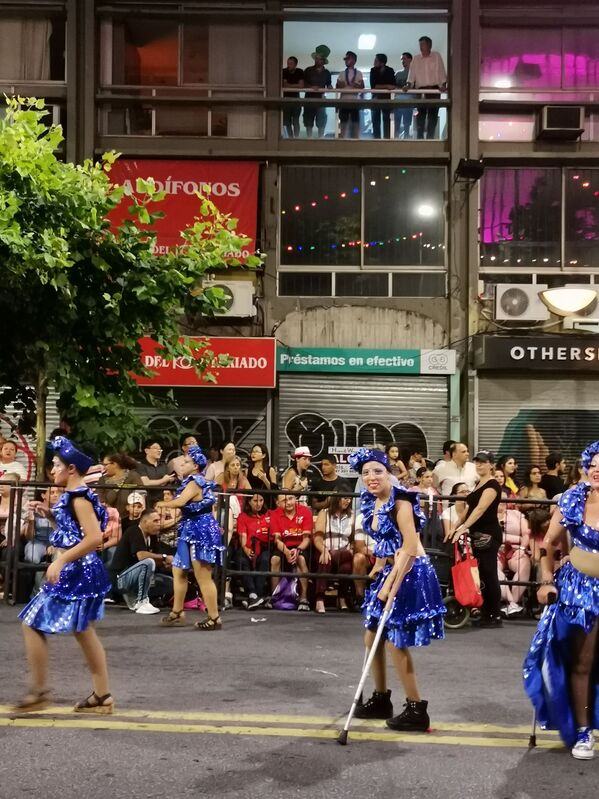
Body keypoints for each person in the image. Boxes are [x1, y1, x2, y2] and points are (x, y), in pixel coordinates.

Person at [15, 437, 114, 714]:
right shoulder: (75, 495)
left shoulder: (78, 496)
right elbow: (78, 532)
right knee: (83, 630)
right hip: (82, 566)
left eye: (57, 465)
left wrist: (60, 562)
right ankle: (102, 695)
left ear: (71, 468)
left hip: (77, 568)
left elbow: (94, 538)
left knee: (31, 623)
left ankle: (39, 691)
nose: (52, 470)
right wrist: (50, 514)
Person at [349, 448, 445, 730]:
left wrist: (390, 586)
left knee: (394, 640)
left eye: (377, 471)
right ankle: (380, 699)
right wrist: (379, 564)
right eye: (366, 473)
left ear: (389, 472)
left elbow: (410, 547)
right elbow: (386, 539)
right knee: (372, 638)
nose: (371, 477)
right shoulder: (373, 501)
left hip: (411, 572)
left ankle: (416, 709)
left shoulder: (401, 501)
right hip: (391, 568)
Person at [523, 440, 599, 759]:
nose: (597, 470)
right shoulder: (572, 499)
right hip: (580, 590)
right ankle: (583, 730)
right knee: (582, 661)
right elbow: (548, 544)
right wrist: (545, 579)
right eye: (594, 464)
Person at [157, 446, 224, 630]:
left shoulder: (195, 481)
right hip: (190, 528)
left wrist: (162, 503)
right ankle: (177, 611)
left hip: (200, 531)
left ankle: (214, 617)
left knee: (203, 575)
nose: (182, 464)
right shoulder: (191, 481)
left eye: (186, 462)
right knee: (179, 570)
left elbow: (180, 502)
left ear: (195, 466)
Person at [451, 451, 503, 628]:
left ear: (491, 465)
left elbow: (480, 509)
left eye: (483, 462)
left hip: (488, 534)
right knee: (482, 574)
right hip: (477, 534)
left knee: (489, 574)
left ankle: (494, 615)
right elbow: (470, 508)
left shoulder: (492, 485)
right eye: (477, 462)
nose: (479, 465)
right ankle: (487, 612)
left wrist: (463, 528)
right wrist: (456, 526)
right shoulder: (478, 484)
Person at [109, 508, 172, 614]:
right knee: (148, 562)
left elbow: (156, 560)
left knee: (170, 583)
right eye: (155, 521)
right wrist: (165, 557)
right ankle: (141, 601)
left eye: (159, 521)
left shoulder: (152, 537)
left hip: (135, 576)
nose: (159, 524)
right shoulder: (134, 531)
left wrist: (166, 563)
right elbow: (142, 556)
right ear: (144, 522)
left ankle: (135, 596)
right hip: (120, 579)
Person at [269, 493, 312, 611]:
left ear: (295, 499)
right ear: (278, 503)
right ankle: (274, 596)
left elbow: (307, 538)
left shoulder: (305, 511)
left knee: (301, 559)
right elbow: (277, 540)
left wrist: (298, 550)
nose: (288, 502)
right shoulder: (275, 514)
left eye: (291, 499)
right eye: (284, 500)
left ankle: (304, 598)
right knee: (275, 559)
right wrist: (287, 552)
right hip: (283, 546)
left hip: (300, 545)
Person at [313, 495, 354, 613]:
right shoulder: (324, 513)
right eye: (345, 497)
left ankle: (342, 598)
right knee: (326, 559)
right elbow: (318, 537)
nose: (348, 500)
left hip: (344, 552)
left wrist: (352, 547)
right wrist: (324, 550)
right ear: (336, 498)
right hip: (325, 550)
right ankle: (319, 599)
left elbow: (353, 539)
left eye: (350, 498)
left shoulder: (351, 515)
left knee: (346, 567)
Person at [404, 35, 447, 139]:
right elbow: (412, 74)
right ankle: (419, 138)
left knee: (433, 115)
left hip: (434, 89)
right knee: (421, 115)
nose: (420, 47)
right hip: (421, 90)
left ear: (429, 45)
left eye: (422, 44)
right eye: (420, 45)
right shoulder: (416, 58)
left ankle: (430, 137)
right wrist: (408, 85)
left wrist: (443, 85)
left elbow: (441, 71)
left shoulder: (436, 56)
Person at [235, 493, 272, 609]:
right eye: (255, 501)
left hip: (265, 546)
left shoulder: (268, 514)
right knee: (241, 559)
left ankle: (255, 596)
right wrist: (246, 549)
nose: (259, 504)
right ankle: (253, 594)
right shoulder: (243, 516)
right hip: (248, 546)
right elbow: (242, 535)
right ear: (249, 502)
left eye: (261, 500)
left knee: (265, 559)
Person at [497, 502, 531, 616]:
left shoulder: (516, 514)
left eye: (504, 500)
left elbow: (527, 533)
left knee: (524, 563)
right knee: (492, 567)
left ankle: (513, 603)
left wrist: (522, 548)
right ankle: (511, 603)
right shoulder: (486, 515)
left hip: (516, 549)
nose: (501, 503)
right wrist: (518, 538)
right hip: (495, 550)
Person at [98, 452, 144, 519]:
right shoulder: (102, 479)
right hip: (109, 517)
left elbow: (141, 493)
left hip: (130, 517)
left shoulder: (133, 476)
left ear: (114, 464)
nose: (104, 468)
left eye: (105, 465)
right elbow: (99, 494)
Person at [303, 45, 332, 138]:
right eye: (316, 58)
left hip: (321, 100)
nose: (317, 60)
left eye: (319, 59)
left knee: (321, 121)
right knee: (308, 120)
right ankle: (309, 140)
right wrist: (311, 87)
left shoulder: (327, 73)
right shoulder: (308, 70)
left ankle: (320, 140)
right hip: (309, 98)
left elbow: (329, 84)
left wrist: (330, 87)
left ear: (323, 61)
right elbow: (303, 84)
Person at [336, 51, 364, 139]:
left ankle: (356, 140)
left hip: (355, 100)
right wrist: (353, 84)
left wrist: (353, 85)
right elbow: (338, 86)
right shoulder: (342, 73)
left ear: (354, 61)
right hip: (343, 100)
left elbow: (361, 86)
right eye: (346, 59)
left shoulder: (359, 73)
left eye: (348, 59)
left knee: (355, 121)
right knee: (343, 121)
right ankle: (342, 140)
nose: (346, 61)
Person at [369, 53, 396, 139]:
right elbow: (373, 86)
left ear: (382, 62)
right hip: (376, 98)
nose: (374, 62)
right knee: (375, 120)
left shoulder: (390, 70)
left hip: (386, 98)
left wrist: (385, 86)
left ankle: (387, 139)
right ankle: (376, 140)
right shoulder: (373, 70)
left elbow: (393, 85)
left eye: (376, 60)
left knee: (387, 119)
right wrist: (387, 86)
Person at [282, 56, 304, 138]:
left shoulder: (299, 71)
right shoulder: (283, 71)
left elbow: (301, 85)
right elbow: (284, 85)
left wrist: (289, 85)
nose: (289, 65)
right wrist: (296, 85)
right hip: (285, 100)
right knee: (286, 121)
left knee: (295, 120)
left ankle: (296, 138)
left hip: (296, 99)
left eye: (291, 63)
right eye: (288, 63)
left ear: (295, 64)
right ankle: (290, 138)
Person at [394, 52, 414, 138]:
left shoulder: (414, 73)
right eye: (402, 59)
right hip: (398, 101)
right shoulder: (398, 74)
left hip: (409, 101)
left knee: (407, 123)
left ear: (410, 59)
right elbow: (393, 87)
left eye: (404, 58)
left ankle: (406, 138)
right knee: (397, 122)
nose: (402, 61)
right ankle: (395, 140)